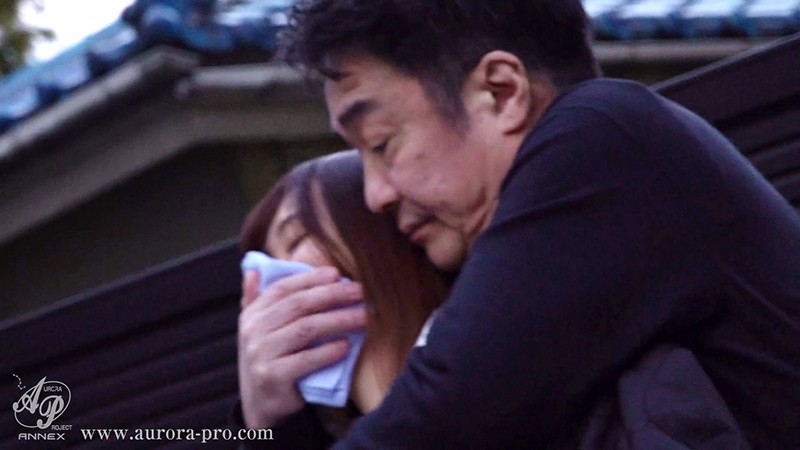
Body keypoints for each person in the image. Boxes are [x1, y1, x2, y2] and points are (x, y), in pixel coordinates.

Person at [273, 1, 800, 448]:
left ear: (501, 91)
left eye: (382, 143)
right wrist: (268, 417)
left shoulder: (600, 139)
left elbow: (441, 417)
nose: (375, 195)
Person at [236, 151, 449, 446]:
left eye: (296, 240)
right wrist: (265, 427)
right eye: (263, 267)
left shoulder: (478, 356)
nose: (272, 285)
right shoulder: (327, 432)